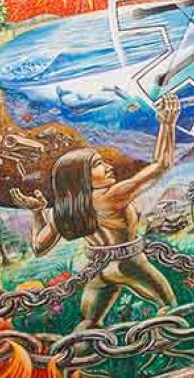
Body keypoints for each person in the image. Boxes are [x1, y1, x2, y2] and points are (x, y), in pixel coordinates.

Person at [9, 94, 180, 330]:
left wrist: (38, 212)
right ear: (82, 175)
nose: (108, 166)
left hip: (98, 270)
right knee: (170, 308)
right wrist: (168, 123)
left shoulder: (67, 208)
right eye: (99, 164)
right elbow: (161, 165)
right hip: (129, 263)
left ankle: (76, 361)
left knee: (90, 323)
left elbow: (39, 248)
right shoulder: (112, 196)